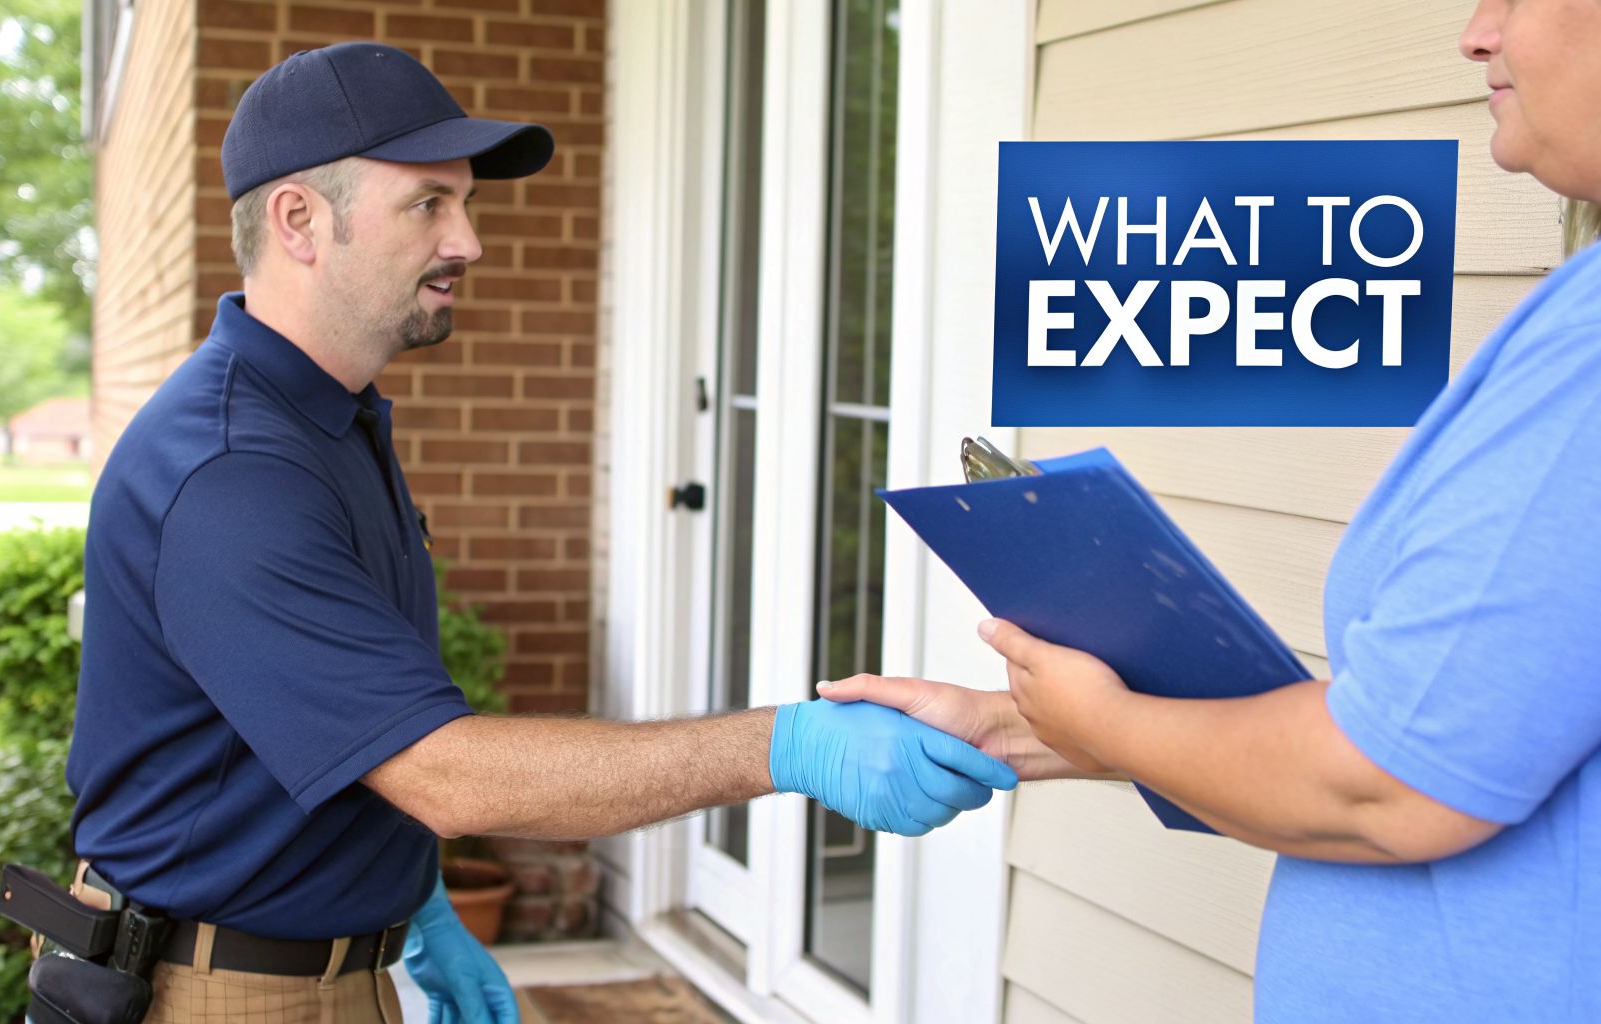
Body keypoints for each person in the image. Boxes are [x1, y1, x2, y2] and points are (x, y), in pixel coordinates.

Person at [66, 42, 1015, 1024]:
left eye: (465, 204)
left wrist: (411, 896)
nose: (467, 243)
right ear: (299, 220)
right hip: (224, 994)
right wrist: (791, 747)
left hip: (312, 966)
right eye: (428, 204)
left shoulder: (325, 419)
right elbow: (447, 772)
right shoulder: (232, 469)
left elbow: (324, 723)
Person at [823, 0, 1601, 1019]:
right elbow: (1482, 723)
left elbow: (1388, 782)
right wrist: (1014, 724)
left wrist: (1108, 720)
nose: (1477, 33)